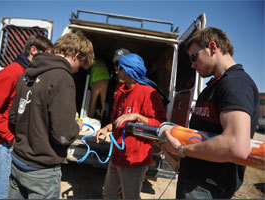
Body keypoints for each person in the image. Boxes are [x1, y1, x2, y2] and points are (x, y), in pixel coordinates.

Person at [158, 27, 260, 199]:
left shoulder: (236, 84)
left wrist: (181, 150)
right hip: (196, 181)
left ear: (213, 47)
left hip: (208, 188)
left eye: (193, 57)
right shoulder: (214, 86)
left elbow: (236, 145)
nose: (192, 64)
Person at [7, 33, 94, 199]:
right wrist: (77, 127)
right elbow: (63, 135)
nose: (77, 70)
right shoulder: (63, 78)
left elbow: (13, 118)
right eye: (80, 65)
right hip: (42, 171)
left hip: (17, 162)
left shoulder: (26, 74)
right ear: (77, 55)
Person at [0, 35, 53, 199]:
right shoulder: (12, 72)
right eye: (46, 54)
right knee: (3, 196)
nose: (48, 60)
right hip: (3, 144)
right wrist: (9, 136)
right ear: (33, 50)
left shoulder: (26, 73)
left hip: (11, 144)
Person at [95, 53, 167, 199]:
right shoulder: (121, 92)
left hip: (135, 160)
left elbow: (161, 125)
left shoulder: (148, 93)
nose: (117, 71)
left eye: (120, 68)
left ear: (130, 70)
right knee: (109, 194)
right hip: (117, 156)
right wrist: (106, 129)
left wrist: (137, 117)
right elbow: (117, 121)